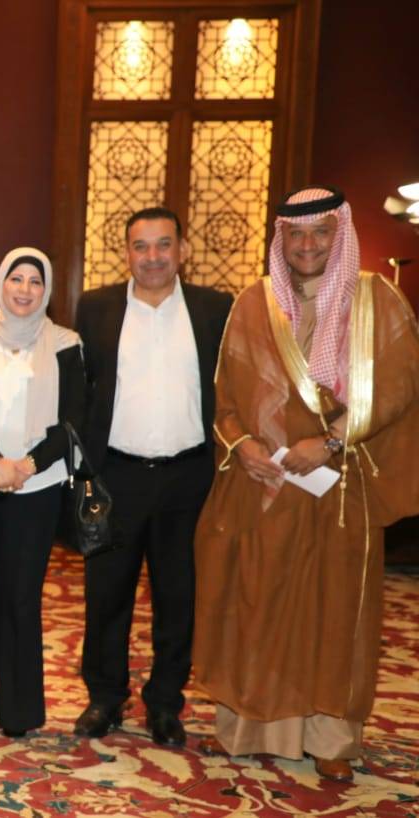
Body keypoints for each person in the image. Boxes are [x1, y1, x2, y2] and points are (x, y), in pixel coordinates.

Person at [193, 187, 419, 782]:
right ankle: (248, 728)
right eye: (296, 234)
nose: (309, 244)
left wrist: (333, 440)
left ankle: (331, 739)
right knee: (257, 602)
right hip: (264, 487)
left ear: (339, 234)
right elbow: (226, 394)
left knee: (334, 611)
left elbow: (399, 386)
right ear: (282, 240)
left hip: (340, 488)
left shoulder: (376, 300)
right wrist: (242, 447)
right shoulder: (255, 302)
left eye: (321, 232)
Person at [73, 207, 232, 746]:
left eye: (164, 244)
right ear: (127, 253)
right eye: (141, 246)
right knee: (106, 595)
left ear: (183, 250)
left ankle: (165, 702)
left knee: (178, 596)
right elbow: (82, 388)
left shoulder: (214, 309)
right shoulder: (95, 308)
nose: (153, 257)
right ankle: (105, 697)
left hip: (189, 478)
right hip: (116, 475)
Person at [0, 247, 84, 738]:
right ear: (1, 283)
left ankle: (20, 711)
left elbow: (73, 420)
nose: (25, 290)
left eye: (35, 281)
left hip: (37, 486)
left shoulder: (66, 344)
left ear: (47, 290)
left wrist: (26, 465)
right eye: (16, 279)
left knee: (22, 597)